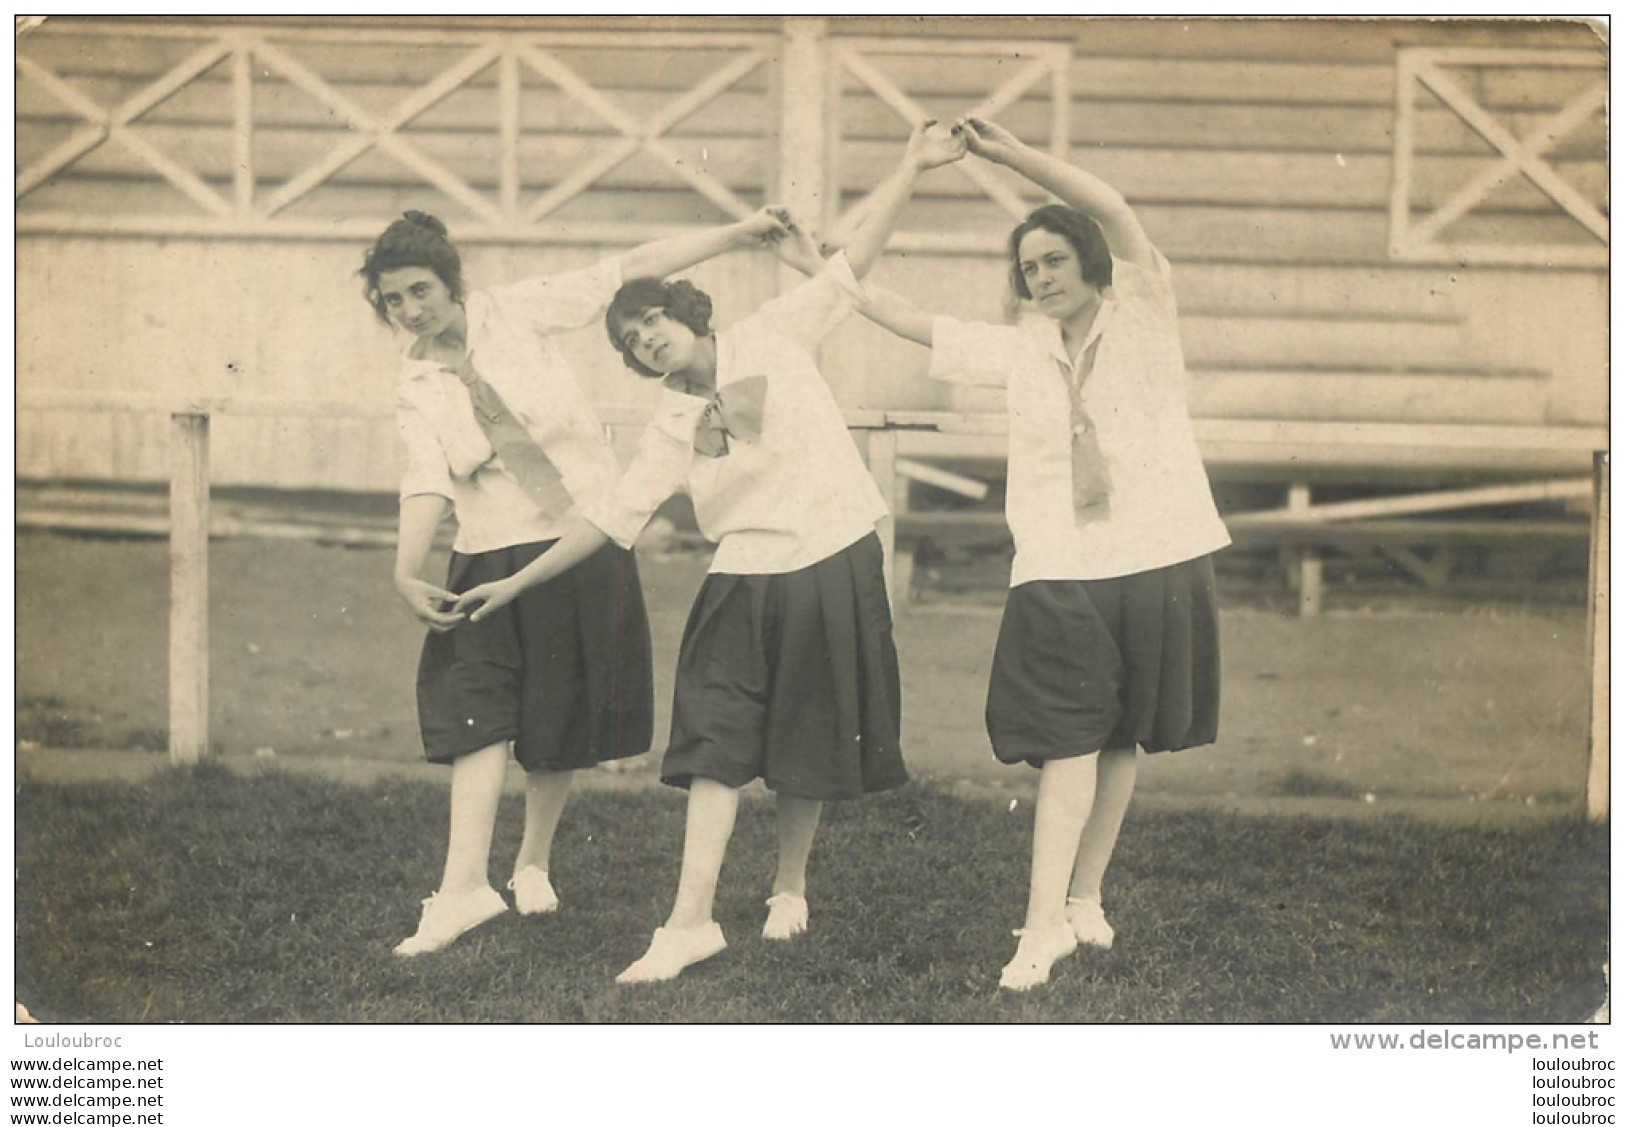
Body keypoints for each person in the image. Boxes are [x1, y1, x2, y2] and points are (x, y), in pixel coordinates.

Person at [453, 120, 968, 983]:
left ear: (685, 314)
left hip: (833, 556)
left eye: (651, 320)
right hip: (740, 578)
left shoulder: (776, 333)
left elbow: (852, 264)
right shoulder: (667, 425)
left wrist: (912, 165)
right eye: (628, 340)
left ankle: (789, 886)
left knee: (811, 731)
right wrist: (508, 585)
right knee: (713, 738)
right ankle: (688, 919)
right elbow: (606, 520)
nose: (644, 339)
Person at [849, 117, 1230, 990]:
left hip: (1159, 551)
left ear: (1091, 264)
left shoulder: (1143, 309)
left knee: (1120, 736)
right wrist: (840, 252)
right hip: (1058, 565)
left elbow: (1114, 205)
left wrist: (1008, 155)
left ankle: (1085, 897)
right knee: (1066, 739)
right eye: (1027, 269)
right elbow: (891, 309)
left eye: (1054, 260)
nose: (1040, 278)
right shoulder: (1016, 350)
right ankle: (1041, 922)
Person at [363, 207, 792, 956]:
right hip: (489, 547)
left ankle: (531, 860)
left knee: (555, 716)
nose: (408, 310)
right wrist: (404, 567)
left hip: (580, 535)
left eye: (418, 290)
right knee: (477, 710)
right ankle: (463, 884)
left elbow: (633, 262)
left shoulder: (517, 310)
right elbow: (426, 473)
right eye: (391, 300)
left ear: (451, 281)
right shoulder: (416, 379)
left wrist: (736, 232)